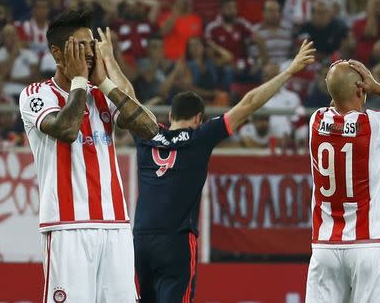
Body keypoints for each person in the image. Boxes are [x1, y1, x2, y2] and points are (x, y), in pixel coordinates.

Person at [133, 40, 315, 302]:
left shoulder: (147, 133)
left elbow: (127, 98)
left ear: (170, 114)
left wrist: (109, 65)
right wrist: (289, 71)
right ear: (198, 118)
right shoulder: (200, 136)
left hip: (141, 238)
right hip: (176, 242)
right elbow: (249, 103)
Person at [18, 10, 158, 302]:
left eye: (91, 45)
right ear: (58, 53)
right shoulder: (36, 94)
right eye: (80, 46)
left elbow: (148, 128)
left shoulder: (101, 93)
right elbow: (66, 129)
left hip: (116, 225)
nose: (90, 53)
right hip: (67, 227)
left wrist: (106, 82)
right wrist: (81, 81)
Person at [305, 59, 380, 303]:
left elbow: (337, 97)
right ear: (360, 90)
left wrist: (343, 82)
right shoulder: (372, 124)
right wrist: (376, 86)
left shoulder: (316, 121)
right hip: (370, 246)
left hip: (325, 249)